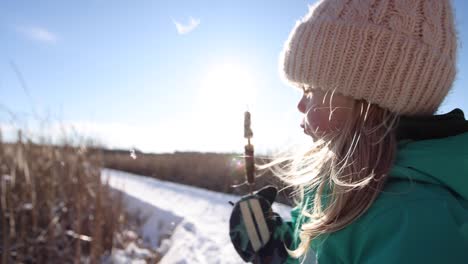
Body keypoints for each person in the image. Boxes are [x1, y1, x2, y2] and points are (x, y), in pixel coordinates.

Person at [229, 0, 468, 263]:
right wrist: (274, 249)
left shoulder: (411, 220)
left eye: (309, 90)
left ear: (369, 96)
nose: (299, 104)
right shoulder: (337, 182)